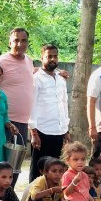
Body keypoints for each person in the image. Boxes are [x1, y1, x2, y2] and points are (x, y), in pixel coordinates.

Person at [29, 44, 70, 182]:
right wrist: (34, 133)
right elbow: (32, 104)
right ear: (42, 58)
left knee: (56, 171)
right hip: (42, 131)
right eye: (49, 56)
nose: (52, 59)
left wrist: (66, 130)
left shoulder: (61, 78)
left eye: (55, 56)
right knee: (38, 170)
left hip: (58, 131)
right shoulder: (36, 78)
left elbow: (64, 104)